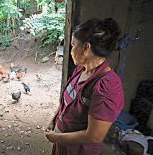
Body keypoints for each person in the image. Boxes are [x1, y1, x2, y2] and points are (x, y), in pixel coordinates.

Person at [45, 18, 124, 155]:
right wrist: (54, 120)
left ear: (86, 48)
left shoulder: (108, 86)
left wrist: (56, 137)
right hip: (63, 145)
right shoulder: (81, 70)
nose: (71, 51)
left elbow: (94, 136)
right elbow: (67, 103)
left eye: (73, 45)